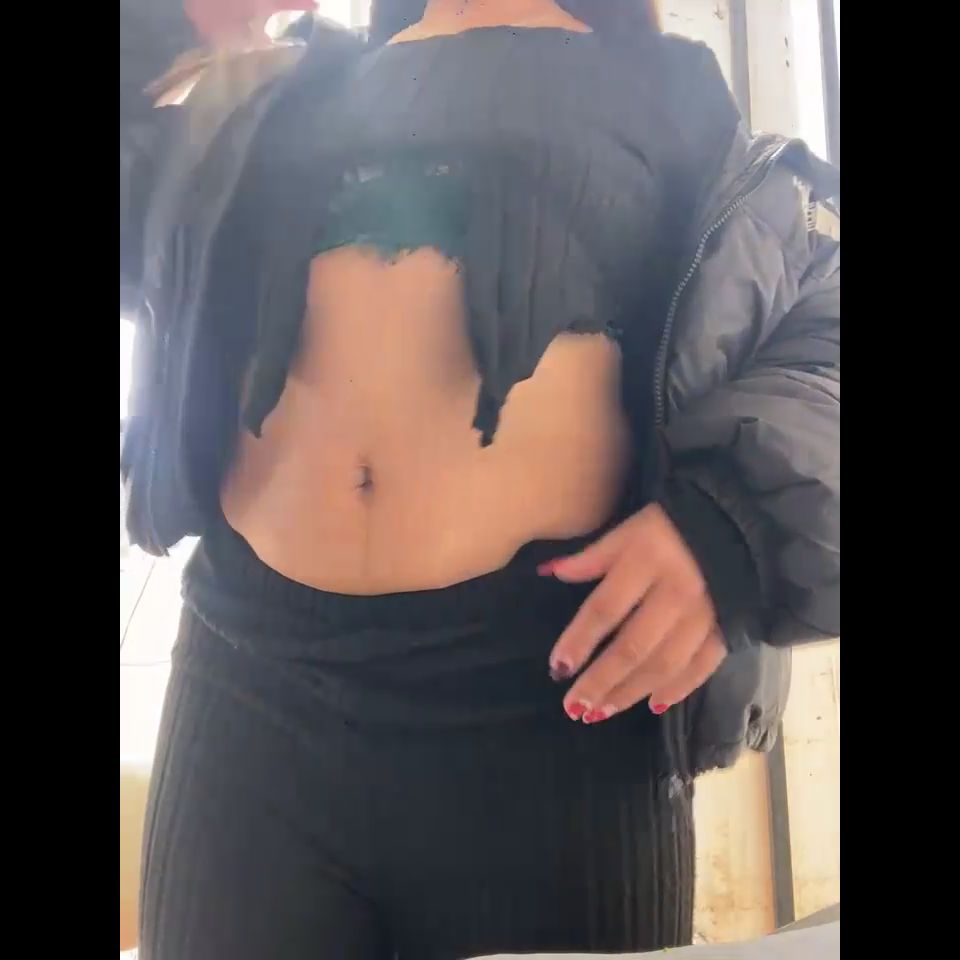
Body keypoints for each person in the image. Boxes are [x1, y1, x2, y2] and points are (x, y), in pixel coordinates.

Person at [119, 1, 840, 957]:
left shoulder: (674, 95)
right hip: (245, 686)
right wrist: (175, 20)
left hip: (552, 704)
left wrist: (732, 526)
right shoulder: (284, 87)